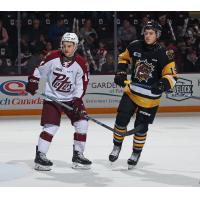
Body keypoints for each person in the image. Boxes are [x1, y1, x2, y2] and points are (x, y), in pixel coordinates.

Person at [109, 21, 178, 169]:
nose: (148, 36)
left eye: (151, 33)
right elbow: (123, 58)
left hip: (150, 99)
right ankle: (116, 146)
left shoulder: (164, 53)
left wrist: (162, 84)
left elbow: (172, 76)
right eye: (146, 33)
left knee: (140, 127)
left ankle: (135, 153)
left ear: (157, 35)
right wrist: (121, 72)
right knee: (121, 120)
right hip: (132, 91)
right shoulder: (134, 45)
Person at [25, 32, 91, 171]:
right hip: (52, 98)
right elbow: (39, 70)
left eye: (70, 46)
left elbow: (82, 84)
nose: (66, 48)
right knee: (51, 127)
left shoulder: (80, 63)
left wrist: (78, 100)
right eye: (64, 45)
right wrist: (33, 81)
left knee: (82, 124)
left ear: (75, 47)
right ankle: (40, 156)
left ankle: (78, 155)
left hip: (72, 100)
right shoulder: (53, 57)